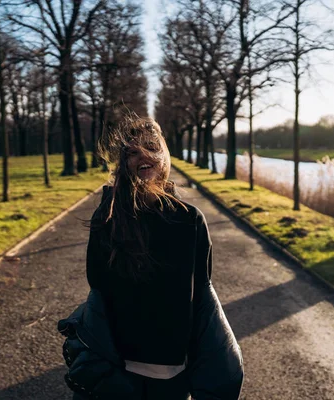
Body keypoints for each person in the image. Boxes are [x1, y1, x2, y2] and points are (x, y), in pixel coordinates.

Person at [81, 114, 231, 399]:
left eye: (151, 147)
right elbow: (97, 282)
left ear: (164, 155)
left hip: (172, 369)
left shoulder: (190, 220)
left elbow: (201, 289)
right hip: (116, 365)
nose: (143, 156)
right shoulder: (108, 215)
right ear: (124, 164)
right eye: (133, 152)